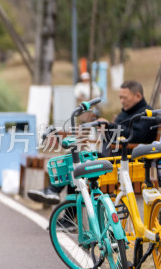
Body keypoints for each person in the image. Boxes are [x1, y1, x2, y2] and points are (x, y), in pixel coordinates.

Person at [28, 80, 156, 205]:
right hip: (111, 158)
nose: (121, 101)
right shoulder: (126, 113)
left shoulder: (146, 114)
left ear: (137, 96)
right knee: (75, 161)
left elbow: (138, 137)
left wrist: (109, 127)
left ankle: (55, 194)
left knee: (79, 167)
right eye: (120, 97)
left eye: (124, 97)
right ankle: (54, 193)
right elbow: (117, 134)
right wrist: (106, 128)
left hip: (127, 162)